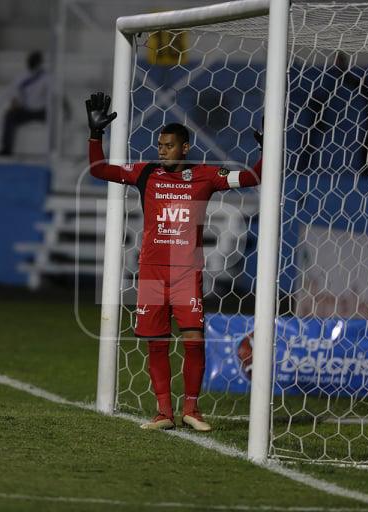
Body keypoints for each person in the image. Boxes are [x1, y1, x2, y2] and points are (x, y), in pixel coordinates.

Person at [86, 92, 263, 431]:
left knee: (194, 339)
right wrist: (96, 135)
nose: (161, 150)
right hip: (151, 273)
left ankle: (192, 411)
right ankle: (164, 412)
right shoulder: (145, 172)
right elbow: (99, 169)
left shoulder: (205, 176)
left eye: (168, 145)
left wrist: (266, 149)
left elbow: (252, 179)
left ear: (184, 148)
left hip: (187, 274)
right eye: (159, 144)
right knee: (157, 342)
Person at [0, 51, 49, 156]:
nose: (31, 63)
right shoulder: (21, 77)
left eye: (34, 61)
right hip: (26, 110)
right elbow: (14, 95)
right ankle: (6, 149)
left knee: (57, 119)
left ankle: (53, 150)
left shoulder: (46, 77)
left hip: (42, 111)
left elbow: (55, 95)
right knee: (9, 116)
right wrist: (14, 105)